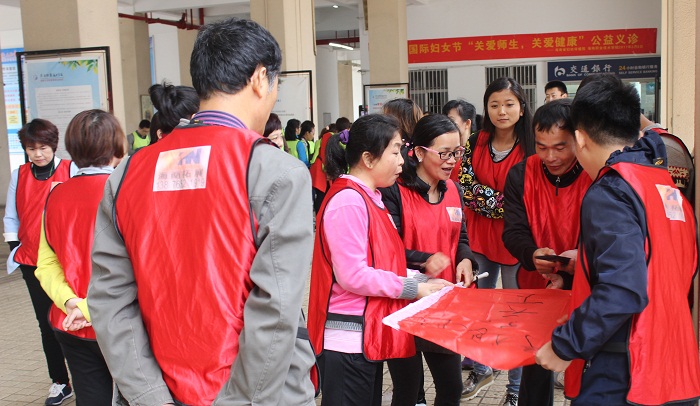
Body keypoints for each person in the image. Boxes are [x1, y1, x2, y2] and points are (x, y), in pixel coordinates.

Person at [88, 17, 317, 406]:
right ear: (261, 79)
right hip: (259, 395)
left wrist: (149, 396)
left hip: (158, 392)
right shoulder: (275, 171)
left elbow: (110, 300)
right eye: (276, 83)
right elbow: (275, 308)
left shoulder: (128, 173)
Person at [536, 74, 700, 405]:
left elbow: (624, 288)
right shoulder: (664, 186)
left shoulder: (611, 191)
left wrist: (565, 345)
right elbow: (669, 266)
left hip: (626, 370)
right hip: (677, 367)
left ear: (580, 138)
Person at [308, 114, 451, 406]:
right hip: (347, 341)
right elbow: (353, 275)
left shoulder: (369, 197)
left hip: (364, 338)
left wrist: (424, 281)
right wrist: (415, 288)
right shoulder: (348, 201)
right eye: (396, 151)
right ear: (368, 159)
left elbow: (383, 264)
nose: (402, 161)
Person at [382, 114, 476, 406]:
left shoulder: (454, 191)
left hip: (443, 304)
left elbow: (461, 239)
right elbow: (387, 248)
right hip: (405, 302)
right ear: (419, 152)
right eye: (444, 153)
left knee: (450, 388)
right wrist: (424, 259)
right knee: (408, 389)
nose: (451, 161)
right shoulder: (395, 191)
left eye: (457, 153)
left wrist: (466, 260)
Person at [502, 99, 591, 406]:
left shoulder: (594, 173)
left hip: (587, 285)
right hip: (535, 285)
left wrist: (578, 261)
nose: (550, 157)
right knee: (536, 363)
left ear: (579, 140)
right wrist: (531, 254)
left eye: (560, 147)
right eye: (541, 147)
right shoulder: (520, 175)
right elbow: (512, 232)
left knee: (587, 366)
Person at [34, 110, 125, 405]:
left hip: (69, 324)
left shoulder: (55, 195)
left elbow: (46, 264)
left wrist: (72, 304)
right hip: (121, 322)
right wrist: (88, 308)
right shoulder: (127, 192)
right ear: (117, 146)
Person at [458, 77, 535, 405]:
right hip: (480, 241)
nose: (502, 111)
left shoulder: (531, 143)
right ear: (486, 108)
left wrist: (489, 201)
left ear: (521, 107)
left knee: (518, 318)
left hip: (518, 242)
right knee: (481, 312)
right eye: (494, 104)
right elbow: (463, 182)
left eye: (509, 104)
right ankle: (481, 367)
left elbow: (532, 194)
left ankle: (516, 390)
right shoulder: (476, 140)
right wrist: (503, 203)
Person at [3, 118, 76, 406]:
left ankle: (89, 378)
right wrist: (15, 247)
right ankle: (60, 381)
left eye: (43, 147)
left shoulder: (71, 170)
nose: (38, 154)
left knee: (75, 322)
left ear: (53, 146)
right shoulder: (19, 175)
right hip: (32, 263)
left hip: (67, 262)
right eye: (31, 148)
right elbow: (11, 215)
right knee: (46, 324)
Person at [310, 117, 349, 212]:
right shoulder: (343, 141)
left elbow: (314, 157)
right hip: (330, 172)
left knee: (321, 196)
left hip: (320, 171)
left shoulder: (321, 139)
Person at [443, 99, 476, 182]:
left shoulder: (477, 148)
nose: (447, 125)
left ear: (467, 123)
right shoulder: (443, 148)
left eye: (451, 121)